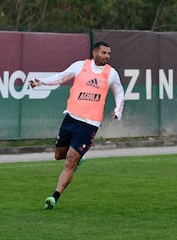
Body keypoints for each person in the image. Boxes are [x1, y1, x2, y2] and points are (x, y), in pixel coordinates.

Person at [29, 41, 125, 210]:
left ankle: (54, 197)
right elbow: (60, 77)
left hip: (89, 124)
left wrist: (118, 110)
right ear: (95, 53)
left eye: (109, 54)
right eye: (104, 53)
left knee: (70, 161)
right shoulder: (80, 66)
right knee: (59, 155)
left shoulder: (111, 73)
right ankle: (80, 157)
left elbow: (119, 92)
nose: (107, 57)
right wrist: (41, 82)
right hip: (71, 118)